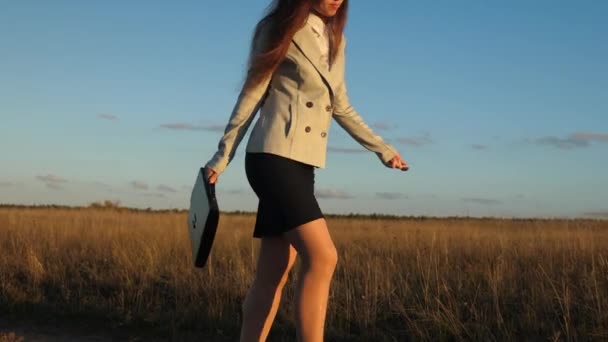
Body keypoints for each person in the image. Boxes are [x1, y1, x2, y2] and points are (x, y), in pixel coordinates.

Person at [204, 0, 409, 341]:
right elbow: (252, 93)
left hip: (303, 163)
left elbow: (341, 105)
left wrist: (382, 149)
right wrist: (222, 155)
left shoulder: (336, 40)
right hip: (271, 157)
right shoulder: (277, 27)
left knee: (273, 272)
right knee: (324, 256)